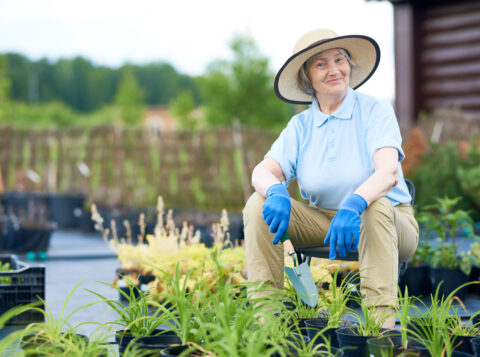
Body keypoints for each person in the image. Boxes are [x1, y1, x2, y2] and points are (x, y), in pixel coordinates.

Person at [243, 28, 419, 328]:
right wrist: (275, 191)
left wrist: (354, 204)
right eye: (321, 64)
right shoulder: (301, 126)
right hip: (324, 223)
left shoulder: (375, 110)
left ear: (350, 66)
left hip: (389, 221)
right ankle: (266, 326)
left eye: (340, 59)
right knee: (256, 205)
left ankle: (381, 330)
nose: (334, 69)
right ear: (307, 78)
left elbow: (388, 172)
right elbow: (262, 170)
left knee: (375, 205)